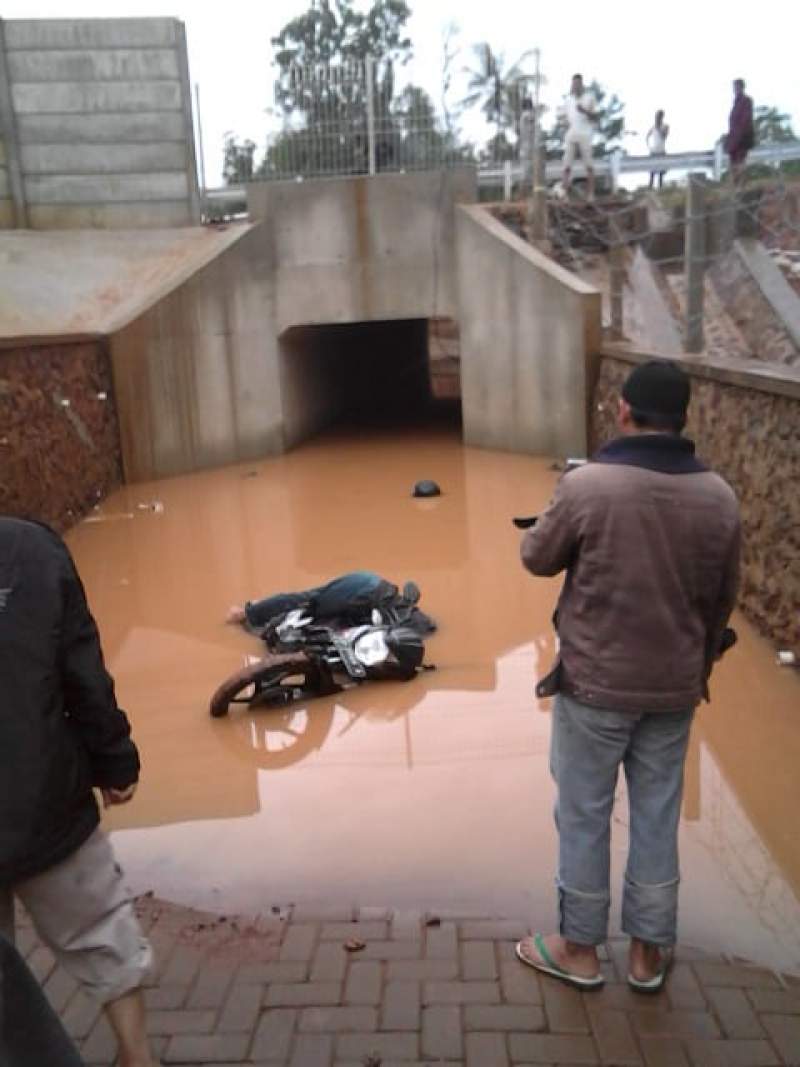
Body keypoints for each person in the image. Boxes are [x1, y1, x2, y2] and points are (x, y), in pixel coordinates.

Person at [516, 360, 740, 993]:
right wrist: (695, 668)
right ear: (684, 418)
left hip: (594, 686)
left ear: (623, 411)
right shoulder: (720, 497)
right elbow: (724, 599)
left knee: (585, 814)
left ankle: (580, 951)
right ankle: (647, 956)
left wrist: (551, 513)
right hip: (672, 689)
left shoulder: (588, 486)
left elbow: (536, 558)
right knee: (657, 814)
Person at [0, 517, 156, 1067]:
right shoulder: (32, 550)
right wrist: (114, 761)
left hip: (44, 799)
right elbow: (83, 672)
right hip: (46, 798)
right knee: (101, 931)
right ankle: (137, 1058)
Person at [561, 73, 597, 200]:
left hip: (585, 134)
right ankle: (564, 194)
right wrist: (565, 130)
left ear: (581, 84)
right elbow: (566, 119)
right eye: (573, 84)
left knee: (589, 165)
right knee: (566, 165)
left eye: (577, 84)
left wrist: (584, 111)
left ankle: (591, 194)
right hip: (572, 133)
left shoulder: (589, 98)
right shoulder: (568, 100)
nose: (575, 86)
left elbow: (595, 117)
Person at [725, 78, 755, 182]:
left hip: (742, 139)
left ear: (742, 87)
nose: (735, 89)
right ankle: (736, 186)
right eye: (734, 87)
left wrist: (739, 137)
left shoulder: (747, 101)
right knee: (733, 165)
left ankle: (741, 186)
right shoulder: (735, 103)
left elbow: (746, 121)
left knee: (740, 163)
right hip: (734, 140)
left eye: (737, 86)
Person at [647, 110, 669, 189]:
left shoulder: (665, 126)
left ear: (662, 117)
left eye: (659, 116)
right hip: (653, 151)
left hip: (661, 151)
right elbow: (647, 136)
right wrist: (649, 146)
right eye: (656, 116)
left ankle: (660, 188)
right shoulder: (653, 127)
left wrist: (658, 128)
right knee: (652, 172)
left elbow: (664, 137)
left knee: (661, 173)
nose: (657, 118)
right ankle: (650, 188)